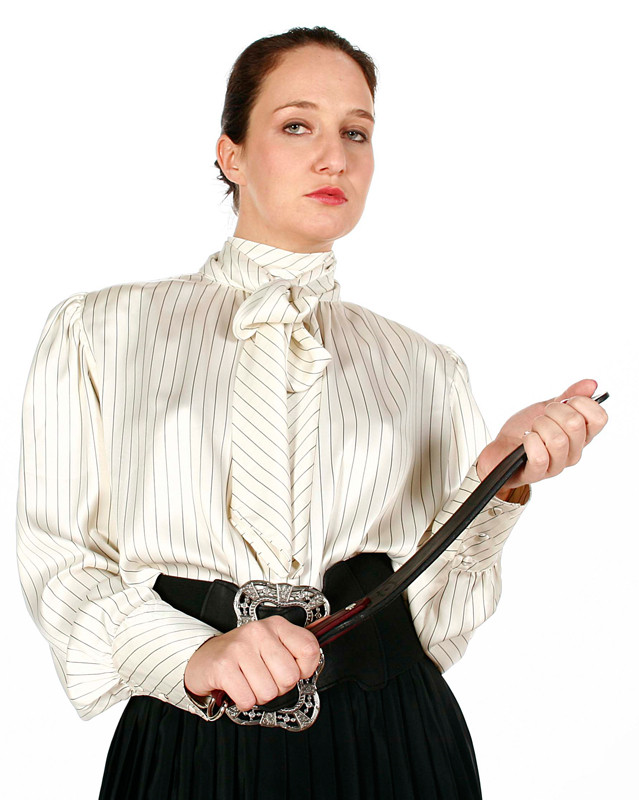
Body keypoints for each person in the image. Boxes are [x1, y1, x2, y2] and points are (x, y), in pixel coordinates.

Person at [16, 25, 608, 800]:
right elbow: (61, 562)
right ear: (231, 154)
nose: (335, 157)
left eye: (355, 133)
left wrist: (498, 481)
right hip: (191, 735)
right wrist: (190, 656)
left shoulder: (426, 367)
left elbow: (435, 624)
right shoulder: (96, 331)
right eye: (297, 126)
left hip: (398, 743)